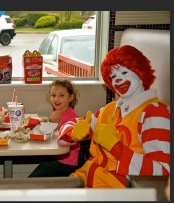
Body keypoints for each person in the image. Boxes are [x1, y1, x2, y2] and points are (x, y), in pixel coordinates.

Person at [58, 45, 170, 188]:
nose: (117, 80)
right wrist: (71, 133)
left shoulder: (154, 112)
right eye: (113, 76)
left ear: (140, 72)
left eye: (124, 72)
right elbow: (71, 123)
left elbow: (163, 172)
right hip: (85, 180)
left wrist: (115, 147)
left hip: (117, 191)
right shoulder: (111, 109)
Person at [29, 79, 89, 177]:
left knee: (33, 180)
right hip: (56, 156)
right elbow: (53, 133)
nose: (56, 99)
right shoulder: (57, 111)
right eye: (53, 95)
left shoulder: (72, 117)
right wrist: (48, 122)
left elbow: (68, 137)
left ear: (70, 98)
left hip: (66, 161)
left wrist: (55, 124)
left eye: (61, 95)